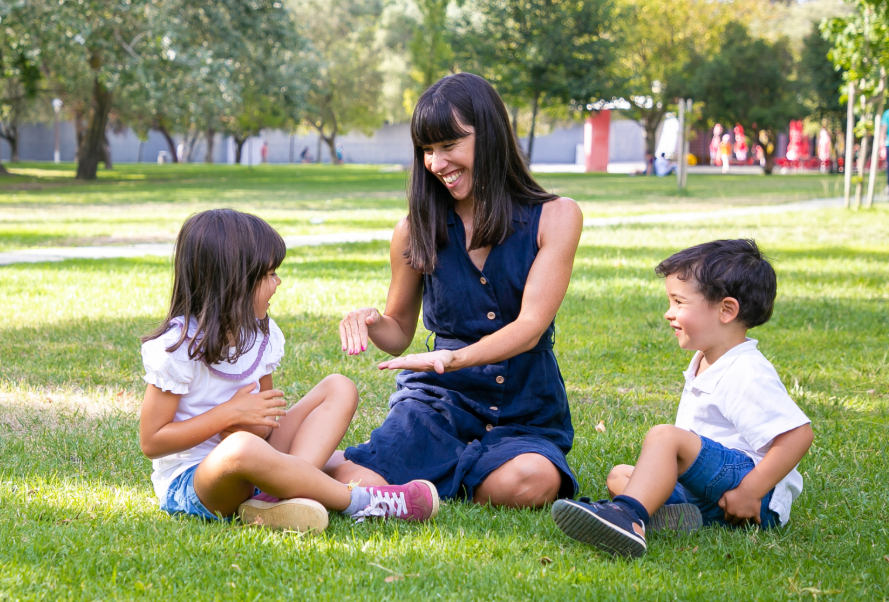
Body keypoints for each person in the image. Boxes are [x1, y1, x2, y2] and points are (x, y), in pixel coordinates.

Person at [330, 73, 584, 509]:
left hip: (524, 404)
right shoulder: (413, 231)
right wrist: (372, 322)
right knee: (353, 471)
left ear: (490, 137)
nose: (436, 163)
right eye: (427, 150)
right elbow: (399, 334)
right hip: (438, 403)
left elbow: (529, 328)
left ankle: (420, 485)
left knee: (533, 481)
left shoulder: (557, 217)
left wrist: (453, 358)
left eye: (449, 146)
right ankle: (308, 471)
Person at [139, 209, 440, 532]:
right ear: (232, 283)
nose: (278, 282)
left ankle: (279, 497)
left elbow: (266, 429)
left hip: (255, 460)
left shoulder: (258, 336)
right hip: (196, 482)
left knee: (339, 387)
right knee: (242, 448)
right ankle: (363, 502)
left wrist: (253, 426)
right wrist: (228, 416)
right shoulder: (178, 348)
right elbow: (152, 441)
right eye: (268, 275)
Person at [551, 240, 814, 559]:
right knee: (621, 475)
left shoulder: (746, 369)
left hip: (754, 492)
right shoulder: (709, 359)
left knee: (665, 437)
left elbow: (798, 435)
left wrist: (750, 491)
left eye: (678, 302)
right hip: (717, 489)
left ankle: (628, 518)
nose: (668, 313)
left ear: (726, 310)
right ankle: (673, 518)